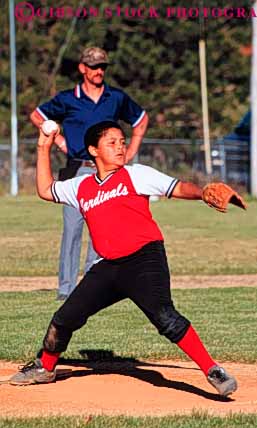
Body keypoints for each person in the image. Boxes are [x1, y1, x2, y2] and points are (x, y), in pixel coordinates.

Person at [10, 121, 240, 397]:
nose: (121, 147)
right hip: (107, 267)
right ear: (93, 150)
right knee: (63, 318)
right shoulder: (81, 186)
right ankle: (45, 368)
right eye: (112, 142)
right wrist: (43, 147)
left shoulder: (136, 174)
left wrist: (202, 192)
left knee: (165, 318)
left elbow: (177, 187)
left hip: (144, 259)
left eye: (122, 141)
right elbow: (46, 190)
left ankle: (212, 369)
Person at [30, 47, 148, 301]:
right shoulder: (67, 98)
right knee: (72, 230)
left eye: (102, 66)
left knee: (101, 231)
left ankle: (94, 287)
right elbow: (37, 115)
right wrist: (60, 141)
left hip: (106, 173)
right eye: (94, 66)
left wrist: (130, 153)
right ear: (82, 68)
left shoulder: (115, 97)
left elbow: (141, 120)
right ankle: (66, 290)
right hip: (76, 170)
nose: (99, 71)